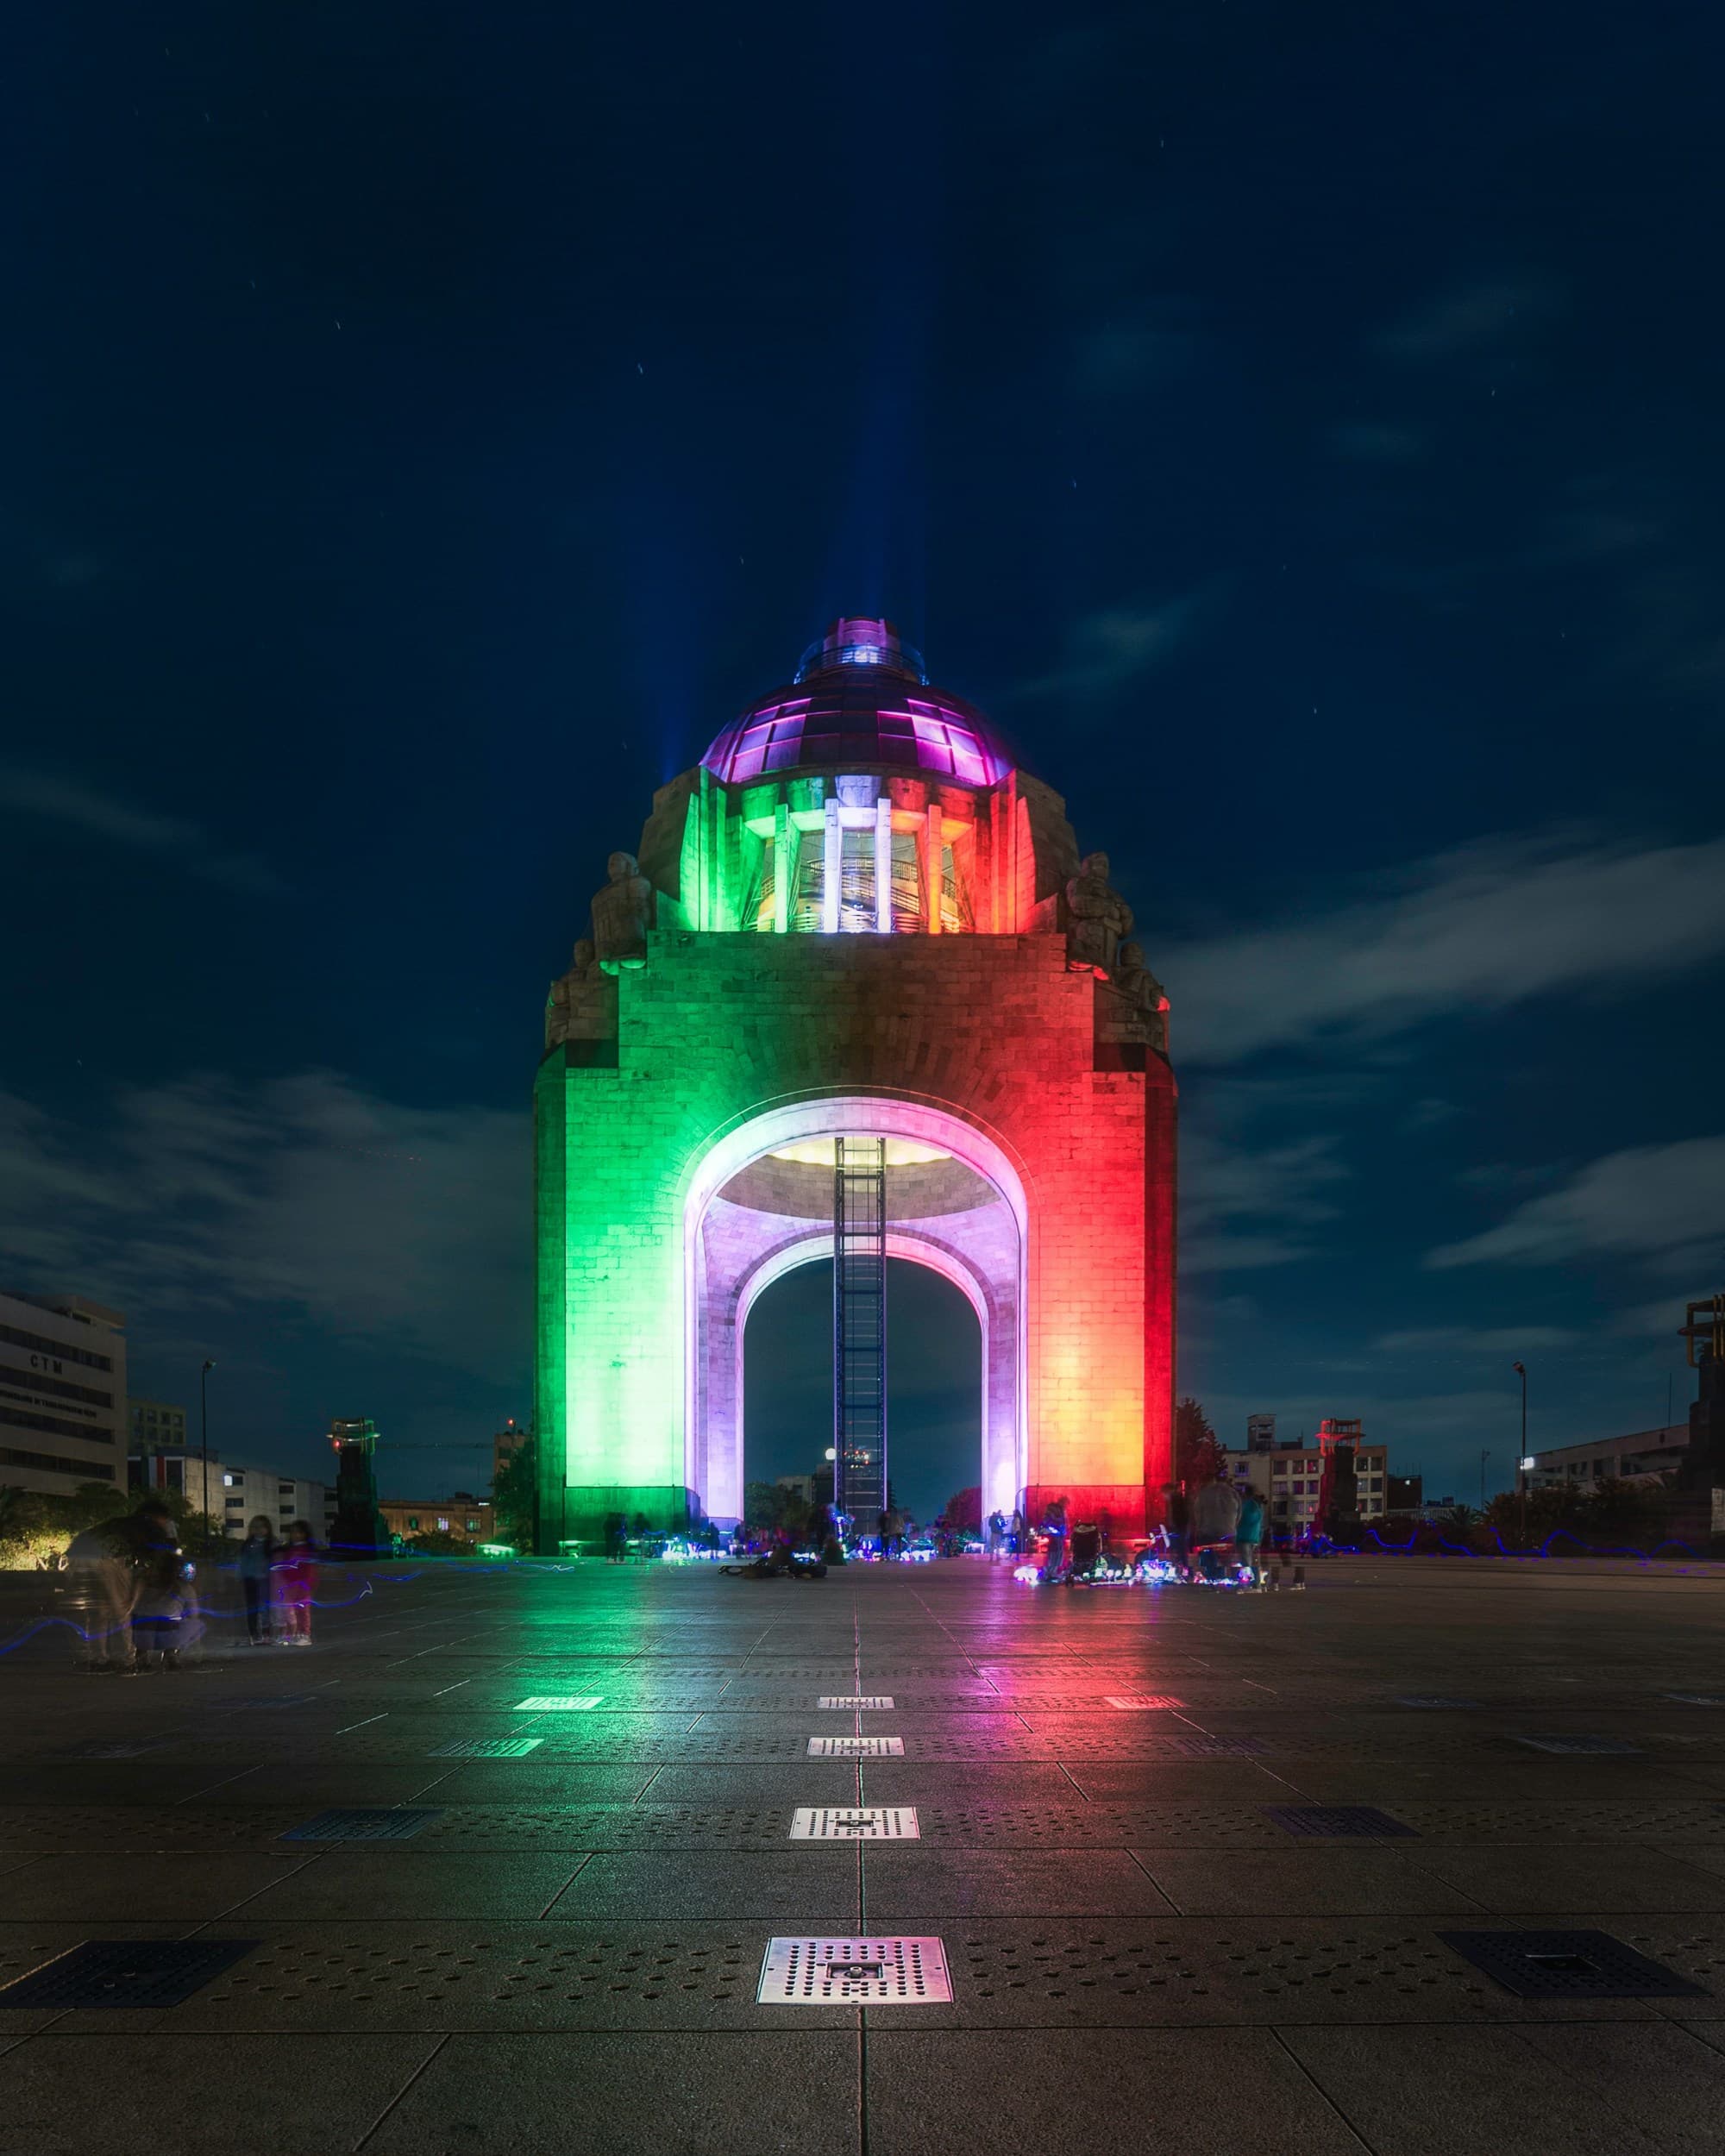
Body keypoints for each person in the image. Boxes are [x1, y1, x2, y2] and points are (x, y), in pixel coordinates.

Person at [120, 1501, 189, 1670]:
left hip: (165, 1574)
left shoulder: (168, 1528)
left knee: (168, 1617)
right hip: (150, 1576)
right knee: (146, 1619)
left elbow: (173, 1547)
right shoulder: (141, 1530)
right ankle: (143, 1655)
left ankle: (169, 1653)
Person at [1189, 1473, 1242, 1583]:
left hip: (1208, 1531)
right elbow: (1240, 1512)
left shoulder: (1204, 1494)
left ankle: (1211, 1579)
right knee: (1225, 1558)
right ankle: (1224, 1578)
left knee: (1208, 1557)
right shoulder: (1233, 1493)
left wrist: (1198, 1528)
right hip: (1228, 1531)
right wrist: (1233, 1526)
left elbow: (1198, 1513)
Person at [277, 1520, 318, 1645]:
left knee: (303, 1610)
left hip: (303, 1584)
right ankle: (292, 1634)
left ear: (305, 1534)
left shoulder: (307, 1549)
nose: (295, 1535)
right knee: (289, 1610)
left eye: (299, 1532)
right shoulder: (290, 1549)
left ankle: (305, 1635)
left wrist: (308, 1582)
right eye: (293, 1532)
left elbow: (309, 1568)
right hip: (290, 1584)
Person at [237, 1517, 277, 1643]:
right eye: (255, 1527)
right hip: (250, 1579)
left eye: (261, 1527)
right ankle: (253, 1634)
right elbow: (243, 1561)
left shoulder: (272, 1544)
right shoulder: (248, 1544)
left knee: (265, 1607)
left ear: (267, 1528)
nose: (258, 1530)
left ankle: (266, 1633)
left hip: (265, 1579)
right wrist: (241, 1575)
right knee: (252, 1608)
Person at [1236, 1488, 1266, 1589]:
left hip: (1244, 1537)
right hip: (1254, 1538)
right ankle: (1257, 1583)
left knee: (1246, 1562)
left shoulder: (1247, 1506)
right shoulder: (1258, 1508)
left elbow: (1243, 1519)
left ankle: (1248, 1583)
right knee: (1253, 1562)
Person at [1162, 1482, 1191, 1579]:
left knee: (1180, 1551)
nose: (1163, 1496)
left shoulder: (1176, 1501)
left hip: (1179, 1529)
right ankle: (1182, 1571)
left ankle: (1183, 1572)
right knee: (1180, 1551)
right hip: (1179, 1528)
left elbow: (1178, 1516)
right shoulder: (1177, 1501)